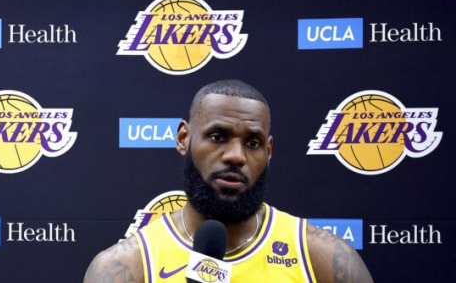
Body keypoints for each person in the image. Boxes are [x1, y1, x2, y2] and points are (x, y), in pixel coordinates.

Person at [83, 79, 373, 282]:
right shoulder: (126, 268)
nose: (236, 156)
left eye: (253, 143)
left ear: (269, 151)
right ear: (184, 138)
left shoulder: (323, 258)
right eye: (218, 137)